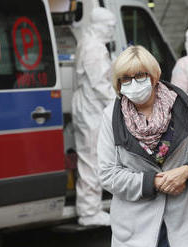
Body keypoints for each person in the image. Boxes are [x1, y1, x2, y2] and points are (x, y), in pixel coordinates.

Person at [97, 45, 188, 247]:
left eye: (140, 75)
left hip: (183, 223)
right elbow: (107, 174)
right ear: (118, 83)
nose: (133, 83)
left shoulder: (183, 105)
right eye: (126, 78)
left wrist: (187, 171)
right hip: (134, 230)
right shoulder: (112, 116)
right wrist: (153, 182)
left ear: (153, 76)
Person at [71, 7, 116, 226]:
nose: (112, 31)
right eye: (110, 27)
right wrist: (120, 103)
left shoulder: (89, 44)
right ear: (98, 25)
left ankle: (90, 207)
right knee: (92, 158)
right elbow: (100, 85)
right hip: (91, 107)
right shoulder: (94, 49)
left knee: (91, 157)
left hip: (89, 106)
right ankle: (89, 211)